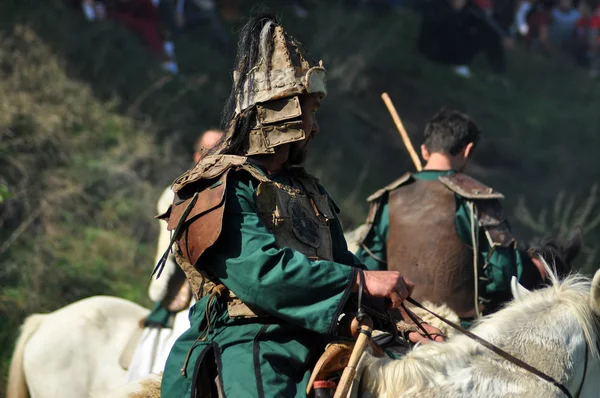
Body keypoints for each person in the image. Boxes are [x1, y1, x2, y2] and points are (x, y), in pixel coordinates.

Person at [158, 14, 442, 398]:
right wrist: (359, 281)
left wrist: (405, 320)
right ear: (280, 116)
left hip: (319, 335)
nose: (315, 127)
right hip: (251, 341)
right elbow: (260, 273)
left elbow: (346, 264)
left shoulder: (307, 190)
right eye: (310, 112)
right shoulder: (221, 185)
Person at [355, 109, 532, 326]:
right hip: (462, 336)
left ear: (424, 151)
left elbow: (366, 267)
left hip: (399, 327)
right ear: (467, 151)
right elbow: (503, 276)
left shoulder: (388, 198)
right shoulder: (478, 200)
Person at [126, 129, 224, 381]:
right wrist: (160, 287)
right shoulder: (181, 191)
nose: (216, 155)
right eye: (209, 150)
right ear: (196, 155)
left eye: (221, 148)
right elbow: (170, 249)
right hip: (188, 289)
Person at [418, 0, 512, 79]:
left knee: (486, 32)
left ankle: (499, 73)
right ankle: (458, 63)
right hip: (435, 46)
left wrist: (503, 34)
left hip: (443, 43)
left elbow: (483, 17)